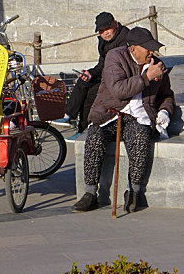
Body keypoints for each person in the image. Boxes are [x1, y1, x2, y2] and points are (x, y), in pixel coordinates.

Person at [71, 27, 175, 213]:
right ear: (133, 48)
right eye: (147, 48)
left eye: (152, 48)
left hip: (139, 116)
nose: (151, 53)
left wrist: (165, 111)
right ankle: (90, 193)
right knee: (94, 137)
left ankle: (134, 190)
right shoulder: (115, 57)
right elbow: (119, 89)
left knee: (140, 137)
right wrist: (146, 77)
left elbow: (167, 95)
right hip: (110, 113)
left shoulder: (157, 64)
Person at [53, 12, 129, 140]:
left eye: (107, 28)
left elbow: (121, 67)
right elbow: (102, 64)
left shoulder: (124, 39)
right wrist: (90, 74)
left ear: (115, 24)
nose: (105, 33)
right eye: (101, 30)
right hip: (106, 73)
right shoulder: (104, 42)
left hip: (119, 78)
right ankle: (70, 115)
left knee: (91, 94)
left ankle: (84, 129)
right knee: (83, 81)